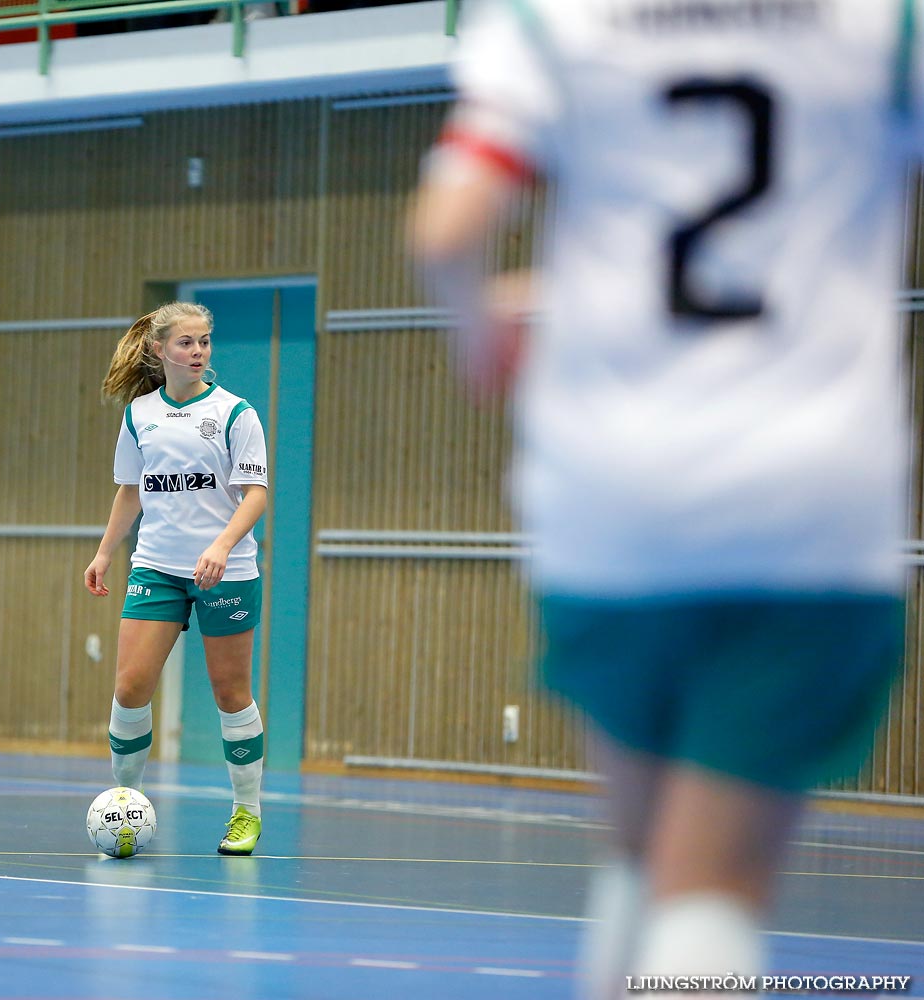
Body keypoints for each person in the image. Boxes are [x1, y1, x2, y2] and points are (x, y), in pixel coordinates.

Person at [412, 1, 921, 997]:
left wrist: (476, 333)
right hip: (809, 491)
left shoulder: (556, 17)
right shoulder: (885, 21)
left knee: (645, 861)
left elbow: (445, 232)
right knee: (713, 890)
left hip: (611, 498)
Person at [84, 302, 270, 856]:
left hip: (225, 571)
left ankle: (246, 813)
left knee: (231, 694)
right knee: (129, 687)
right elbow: (131, 490)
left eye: (205, 342)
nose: (198, 353)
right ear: (160, 350)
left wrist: (220, 545)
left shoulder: (237, 413)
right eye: (186, 343)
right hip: (157, 567)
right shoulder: (140, 414)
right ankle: (126, 805)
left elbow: (255, 494)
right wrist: (103, 554)